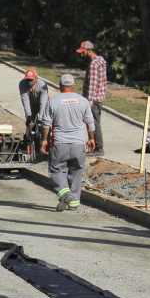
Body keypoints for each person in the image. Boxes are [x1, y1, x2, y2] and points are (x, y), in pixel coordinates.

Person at [41, 74, 95, 211]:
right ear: (73, 85)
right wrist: (91, 138)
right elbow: (90, 122)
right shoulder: (83, 101)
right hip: (78, 144)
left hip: (60, 144)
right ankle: (73, 204)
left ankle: (65, 194)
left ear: (60, 85)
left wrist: (44, 140)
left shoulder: (53, 101)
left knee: (56, 170)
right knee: (76, 172)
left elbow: (46, 123)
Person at [76, 40, 107, 157]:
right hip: (99, 97)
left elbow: (92, 84)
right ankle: (97, 146)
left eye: (83, 52)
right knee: (95, 122)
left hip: (93, 100)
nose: (81, 54)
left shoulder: (94, 64)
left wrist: (88, 102)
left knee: (94, 123)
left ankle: (98, 147)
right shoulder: (100, 61)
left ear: (89, 50)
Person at [19, 68, 50, 149]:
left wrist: (41, 118)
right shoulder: (22, 84)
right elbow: (25, 100)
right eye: (28, 79)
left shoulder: (42, 85)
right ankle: (28, 139)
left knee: (44, 122)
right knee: (30, 122)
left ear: (36, 78)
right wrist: (29, 115)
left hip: (42, 103)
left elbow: (43, 102)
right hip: (31, 104)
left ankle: (45, 139)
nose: (29, 81)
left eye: (31, 79)